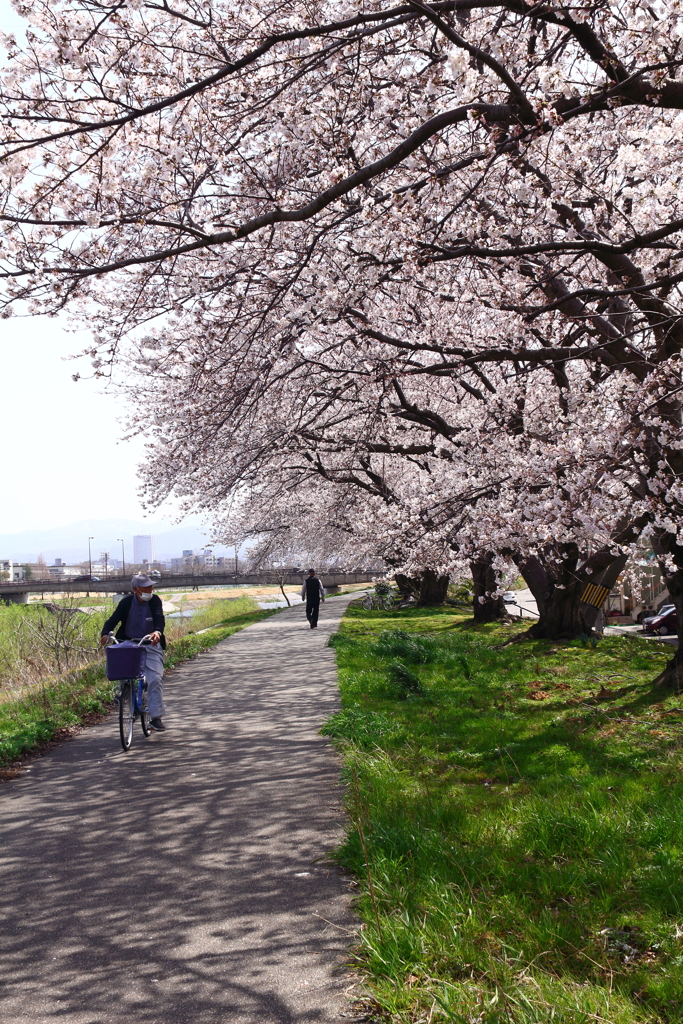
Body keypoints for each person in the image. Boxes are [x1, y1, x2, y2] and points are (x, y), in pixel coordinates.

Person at [100, 573, 167, 731]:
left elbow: (159, 618)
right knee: (120, 666)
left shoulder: (155, 600)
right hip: (129, 643)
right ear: (136, 590)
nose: (150, 589)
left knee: (155, 679)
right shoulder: (126, 603)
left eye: (151, 586)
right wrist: (105, 632)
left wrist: (157, 632)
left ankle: (155, 717)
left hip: (150, 644)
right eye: (146, 587)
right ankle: (124, 692)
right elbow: (113, 619)